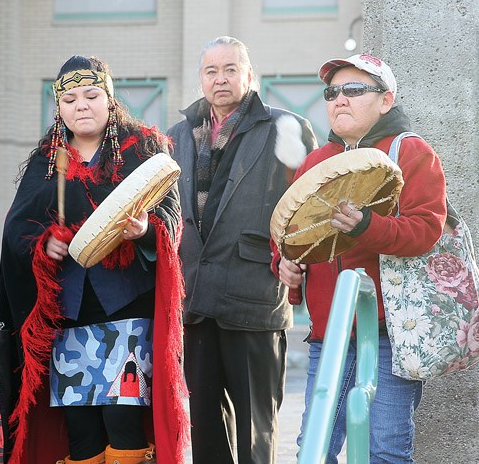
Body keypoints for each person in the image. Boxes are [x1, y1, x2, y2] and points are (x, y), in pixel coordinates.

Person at [0, 55, 188, 464]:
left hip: (128, 309)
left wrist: (146, 231)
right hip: (69, 314)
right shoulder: (44, 162)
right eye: (70, 99)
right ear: (59, 109)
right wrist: (44, 243)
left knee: (122, 420)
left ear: (109, 100)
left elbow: (172, 215)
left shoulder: (144, 149)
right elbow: (17, 227)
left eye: (91, 95)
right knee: (81, 430)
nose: (81, 105)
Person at [274, 53, 447, 463]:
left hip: (389, 334)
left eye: (354, 90)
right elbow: (290, 238)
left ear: (386, 100)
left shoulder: (411, 151)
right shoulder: (315, 162)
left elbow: (426, 230)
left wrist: (365, 226)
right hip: (327, 336)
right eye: (332, 92)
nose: (339, 100)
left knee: (385, 450)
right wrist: (285, 266)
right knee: (312, 451)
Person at [167, 36, 317, 463]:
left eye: (230, 69)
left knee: (256, 432)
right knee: (206, 433)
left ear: (249, 75)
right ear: (201, 79)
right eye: (212, 71)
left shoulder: (284, 127)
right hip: (195, 300)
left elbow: (308, 205)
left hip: (254, 295)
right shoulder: (177, 135)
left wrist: (297, 257)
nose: (221, 79)